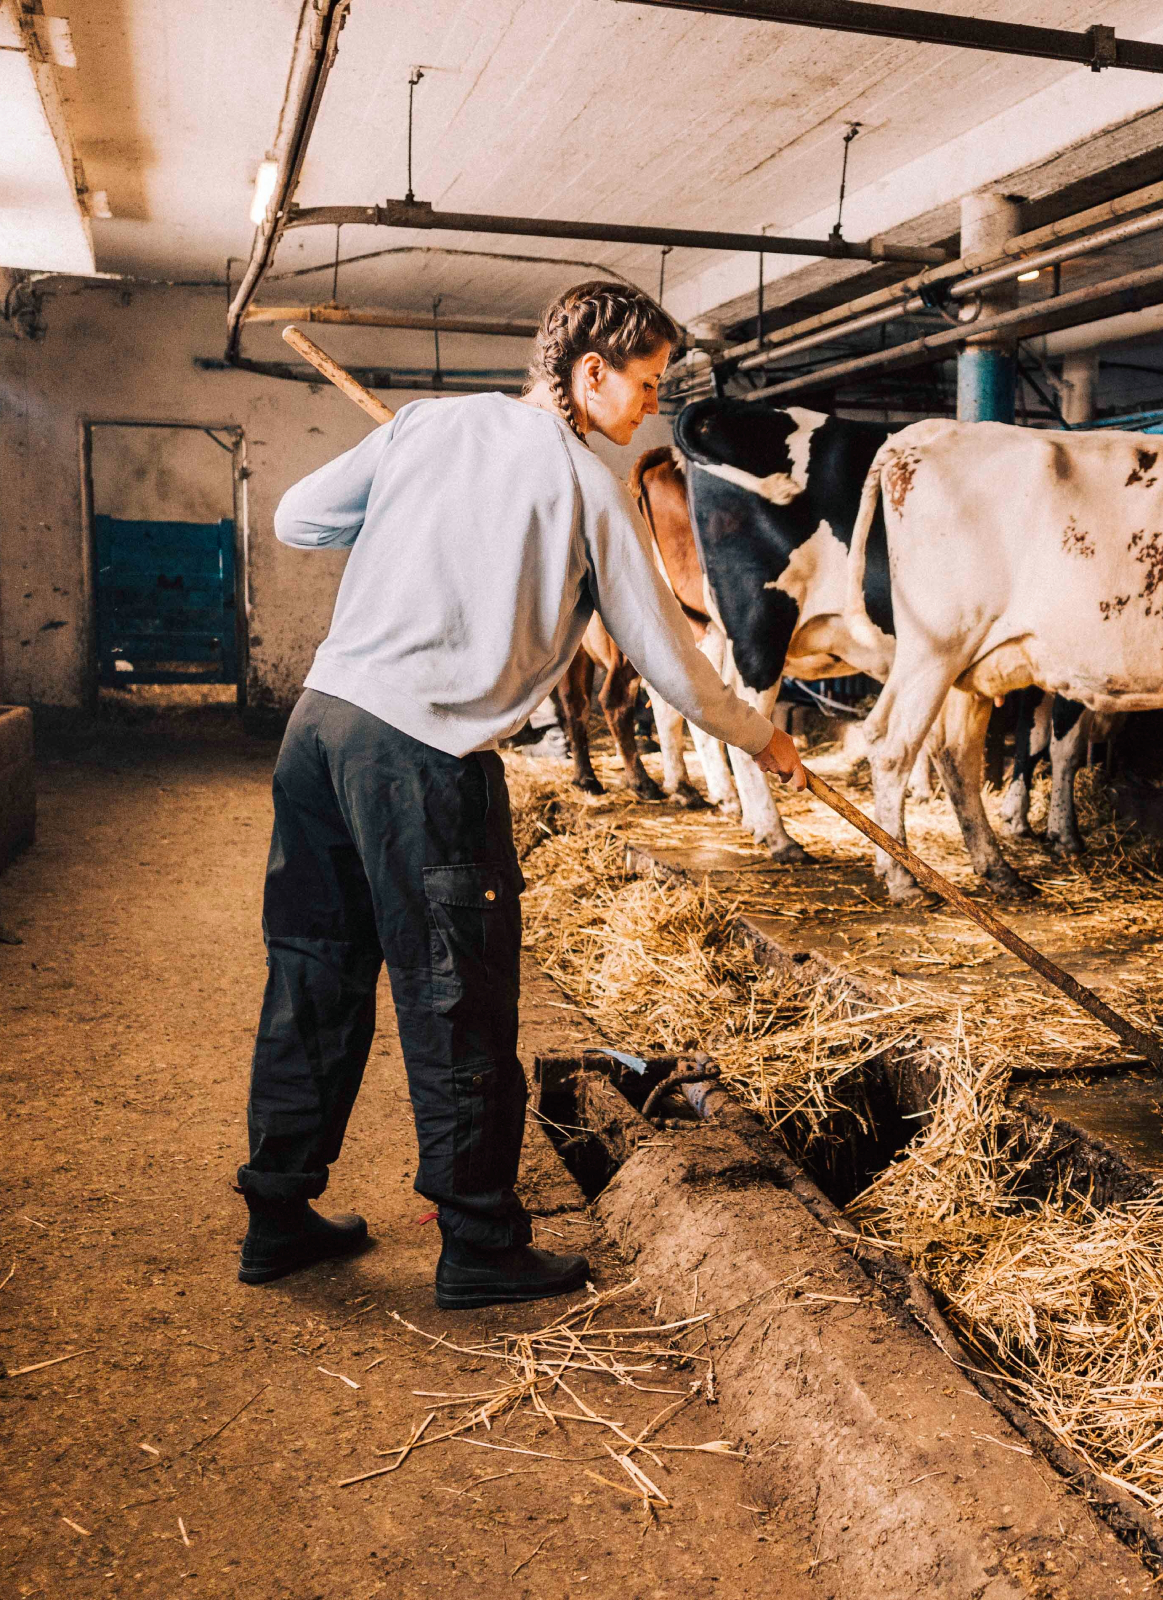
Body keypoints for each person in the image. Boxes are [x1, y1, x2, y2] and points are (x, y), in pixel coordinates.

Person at [236, 281, 808, 1308]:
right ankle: (479, 1244)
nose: (646, 409)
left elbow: (296, 519)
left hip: (321, 728)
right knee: (456, 997)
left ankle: (277, 1213)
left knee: (313, 974)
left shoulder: (424, 426)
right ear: (588, 372)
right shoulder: (587, 485)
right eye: (641, 386)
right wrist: (762, 737)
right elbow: (671, 663)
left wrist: (407, 511)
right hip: (422, 755)